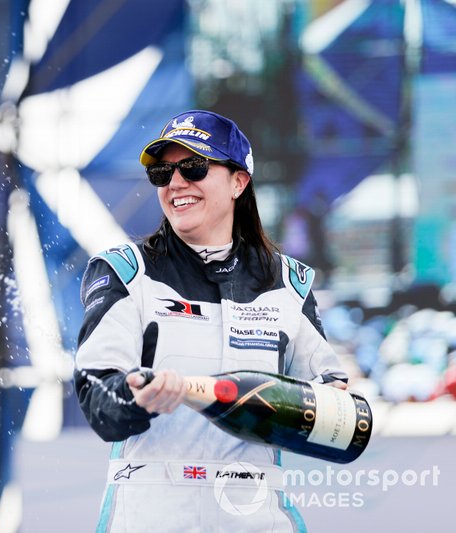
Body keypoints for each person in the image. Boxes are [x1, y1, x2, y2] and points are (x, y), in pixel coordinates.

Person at [73, 110, 348, 532]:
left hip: (256, 516)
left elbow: (337, 421)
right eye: (164, 172)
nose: (177, 183)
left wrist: (324, 406)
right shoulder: (125, 272)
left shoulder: (288, 284)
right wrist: (134, 397)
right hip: (152, 515)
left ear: (239, 181)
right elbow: (97, 398)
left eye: (195, 166)